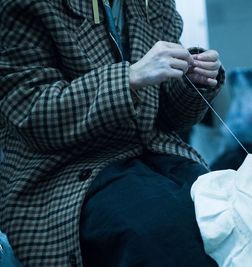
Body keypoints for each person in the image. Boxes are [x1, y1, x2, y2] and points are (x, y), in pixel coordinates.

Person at [0, 0, 224, 266]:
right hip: (65, 170)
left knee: (228, 209)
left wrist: (191, 81)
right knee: (161, 232)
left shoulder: (156, 4)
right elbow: (32, 115)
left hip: (157, 158)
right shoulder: (22, 5)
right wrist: (129, 78)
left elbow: (169, 118)